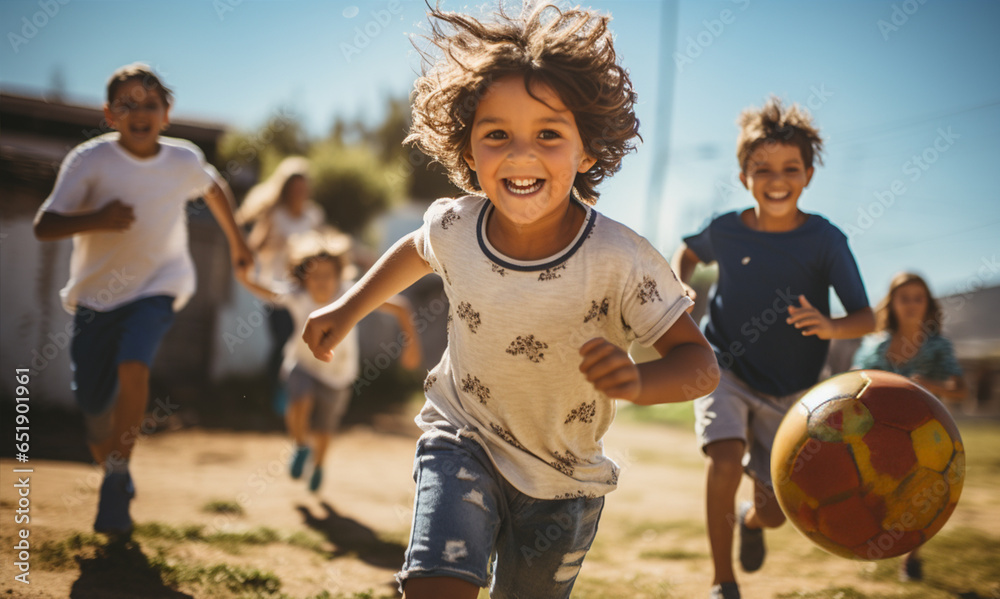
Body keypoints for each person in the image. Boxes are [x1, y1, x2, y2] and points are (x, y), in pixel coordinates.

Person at [302, 4, 719, 598]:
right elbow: (417, 250)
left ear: (588, 151)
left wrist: (638, 381)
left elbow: (699, 365)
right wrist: (346, 309)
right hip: (462, 436)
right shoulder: (455, 225)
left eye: (548, 134)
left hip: (565, 478)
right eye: (498, 134)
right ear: (469, 152)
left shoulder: (621, 258)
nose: (521, 154)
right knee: (435, 584)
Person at [33, 63, 253, 535]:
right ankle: (115, 461)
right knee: (94, 412)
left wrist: (238, 243)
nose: (139, 112)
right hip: (95, 297)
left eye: (149, 103)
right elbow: (44, 225)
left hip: (159, 285)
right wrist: (97, 218)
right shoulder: (89, 161)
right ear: (109, 114)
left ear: (166, 113)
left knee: (135, 364)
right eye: (126, 104)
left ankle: (114, 482)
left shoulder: (183, 160)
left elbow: (214, 188)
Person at [672, 96, 875, 599]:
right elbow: (689, 252)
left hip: (794, 392)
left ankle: (753, 521)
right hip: (726, 366)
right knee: (723, 458)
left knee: (776, 509)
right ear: (744, 175)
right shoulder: (727, 230)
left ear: (807, 175)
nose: (776, 179)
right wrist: (682, 292)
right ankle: (723, 581)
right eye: (762, 168)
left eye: (790, 168)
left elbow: (867, 318)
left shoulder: (826, 241)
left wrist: (830, 327)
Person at [236, 228, 423, 491]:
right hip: (301, 365)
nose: (322, 282)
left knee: (324, 431)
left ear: (339, 276)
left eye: (328, 276)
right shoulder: (296, 295)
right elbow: (266, 290)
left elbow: (401, 307)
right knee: (300, 401)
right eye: (315, 276)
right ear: (303, 278)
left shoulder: (351, 295)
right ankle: (301, 446)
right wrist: (244, 278)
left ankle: (319, 464)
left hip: (338, 375)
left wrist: (411, 344)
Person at [851, 271, 966, 582]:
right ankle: (872, 542)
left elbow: (961, 389)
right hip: (880, 433)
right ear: (892, 304)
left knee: (923, 491)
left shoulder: (939, 346)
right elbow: (853, 383)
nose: (912, 304)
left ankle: (911, 557)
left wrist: (928, 384)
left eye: (918, 298)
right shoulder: (875, 345)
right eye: (904, 298)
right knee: (881, 489)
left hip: (930, 433)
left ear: (928, 304)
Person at [236, 156, 326, 412]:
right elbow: (253, 246)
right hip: (275, 290)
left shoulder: (314, 215)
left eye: (303, 187)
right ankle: (277, 397)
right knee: (283, 342)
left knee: (303, 342)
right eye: (294, 187)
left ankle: (302, 397)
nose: (299, 192)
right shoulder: (274, 216)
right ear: (286, 189)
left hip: (304, 292)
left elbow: (321, 248)